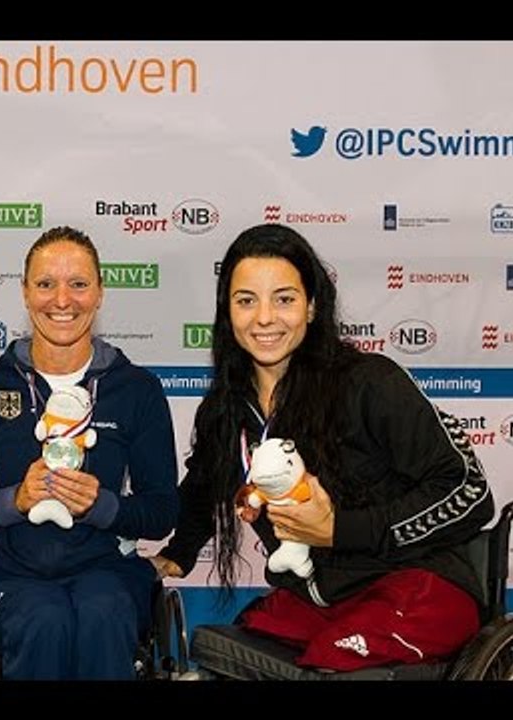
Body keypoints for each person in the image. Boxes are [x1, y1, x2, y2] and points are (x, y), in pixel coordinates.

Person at [152, 223, 493, 671]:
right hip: (320, 599)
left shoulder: (369, 382)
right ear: (227, 312)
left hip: (419, 586)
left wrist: (339, 529)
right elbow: (202, 488)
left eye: (284, 299)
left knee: (331, 655)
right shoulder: (225, 410)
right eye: (246, 300)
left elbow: (469, 492)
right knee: (234, 646)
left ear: (312, 306)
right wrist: (176, 555)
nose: (264, 318)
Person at [0, 225, 178, 679]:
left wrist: (100, 505)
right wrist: (15, 500)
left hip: (109, 574)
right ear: (25, 293)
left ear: (100, 293)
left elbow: (161, 512)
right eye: (46, 284)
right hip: (9, 577)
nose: (62, 300)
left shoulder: (136, 390)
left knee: (102, 614)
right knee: (44, 618)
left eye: (78, 284)